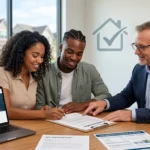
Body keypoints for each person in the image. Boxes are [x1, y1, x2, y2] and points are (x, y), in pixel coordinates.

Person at [83, 21, 150, 123]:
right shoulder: (139, 69)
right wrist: (104, 103)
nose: (136, 52)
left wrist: (132, 114)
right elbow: (127, 96)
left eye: (142, 47)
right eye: (136, 46)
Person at [36, 29, 111, 113]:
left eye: (79, 54)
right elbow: (39, 106)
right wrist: (48, 111)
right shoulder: (44, 72)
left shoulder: (89, 70)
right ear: (61, 48)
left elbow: (106, 96)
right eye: (70, 52)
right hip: (53, 121)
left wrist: (82, 104)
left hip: (81, 120)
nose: (74, 58)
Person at [0, 30, 64, 120]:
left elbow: (29, 110)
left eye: (42, 57)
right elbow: (6, 111)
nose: (40, 60)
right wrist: (43, 114)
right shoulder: (2, 74)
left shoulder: (34, 77)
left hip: (29, 126)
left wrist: (43, 109)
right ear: (21, 53)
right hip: (9, 129)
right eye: (35, 55)